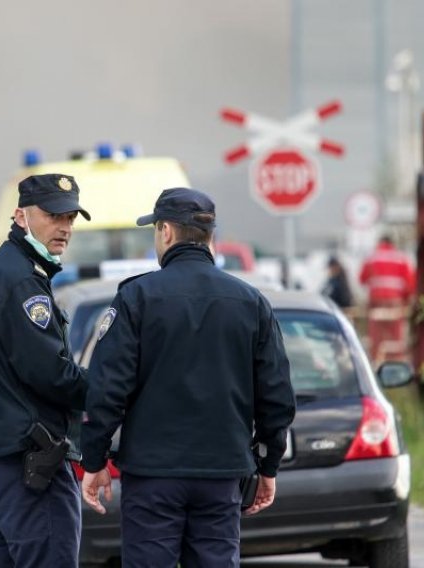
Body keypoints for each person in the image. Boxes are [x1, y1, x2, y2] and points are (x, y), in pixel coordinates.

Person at [79, 187, 296, 567]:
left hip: (152, 475)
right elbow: (277, 397)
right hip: (222, 472)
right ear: (210, 237)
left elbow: (107, 389)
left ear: (165, 232)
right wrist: (268, 465)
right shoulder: (251, 302)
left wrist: (94, 459)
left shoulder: (136, 298)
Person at [0, 173, 91, 567]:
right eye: (54, 216)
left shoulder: (13, 271)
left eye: (70, 218)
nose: (65, 228)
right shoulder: (20, 280)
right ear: (21, 216)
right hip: (28, 462)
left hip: (5, 459)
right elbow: (50, 373)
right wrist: (114, 390)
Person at [359, 235, 416, 362]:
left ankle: (376, 362)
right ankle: (395, 363)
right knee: (395, 336)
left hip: (376, 303)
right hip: (395, 303)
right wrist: (405, 301)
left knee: (376, 336)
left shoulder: (371, 257)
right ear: (392, 243)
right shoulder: (401, 258)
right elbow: (410, 283)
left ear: (380, 243)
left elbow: (362, 279)